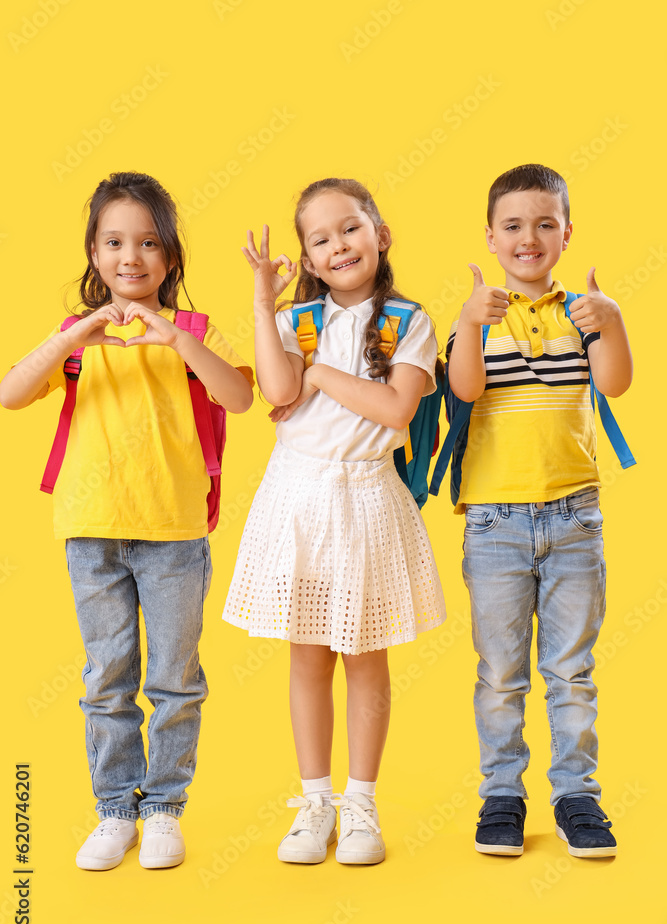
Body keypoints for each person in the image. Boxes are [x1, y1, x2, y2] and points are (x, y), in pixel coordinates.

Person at [0, 172, 254, 870]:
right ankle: (115, 811)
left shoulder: (194, 333)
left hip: (173, 534)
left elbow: (237, 398)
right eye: (113, 242)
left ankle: (165, 809)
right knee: (106, 678)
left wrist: (177, 341)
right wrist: (73, 334)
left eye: (147, 243)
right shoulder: (75, 341)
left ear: (170, 258)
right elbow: (12, 393)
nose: (130, 257)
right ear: (93, 251)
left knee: (175, 678)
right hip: (91, 530)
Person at [223, 178, 446, 865]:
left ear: (379, 234)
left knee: (364, 655)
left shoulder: (407, 320)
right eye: (319, 240)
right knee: (306, 656)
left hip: (366, 502)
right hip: (296, 500)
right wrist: (264, 302)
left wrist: (320, 379)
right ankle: (314, 801)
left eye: (349, 228)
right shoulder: (296, 323)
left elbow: (394, 411)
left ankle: (360, 805)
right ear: (309, 263)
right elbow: (277, 388)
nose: (337, 244)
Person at [447, 163, 632, 858]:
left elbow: (614, 382)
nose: (529, 237)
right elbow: (463, 390)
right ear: (490, 237)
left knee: (570, 669)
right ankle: (501, 793)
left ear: (565, 232)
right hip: (495, 523)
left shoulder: (581, 313)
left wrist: (610, 320)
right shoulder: (477, 316)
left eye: (544, 224)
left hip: (573, 517)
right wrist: (468, 320)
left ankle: (575, 795)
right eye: (514, 225)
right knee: (499, 671)